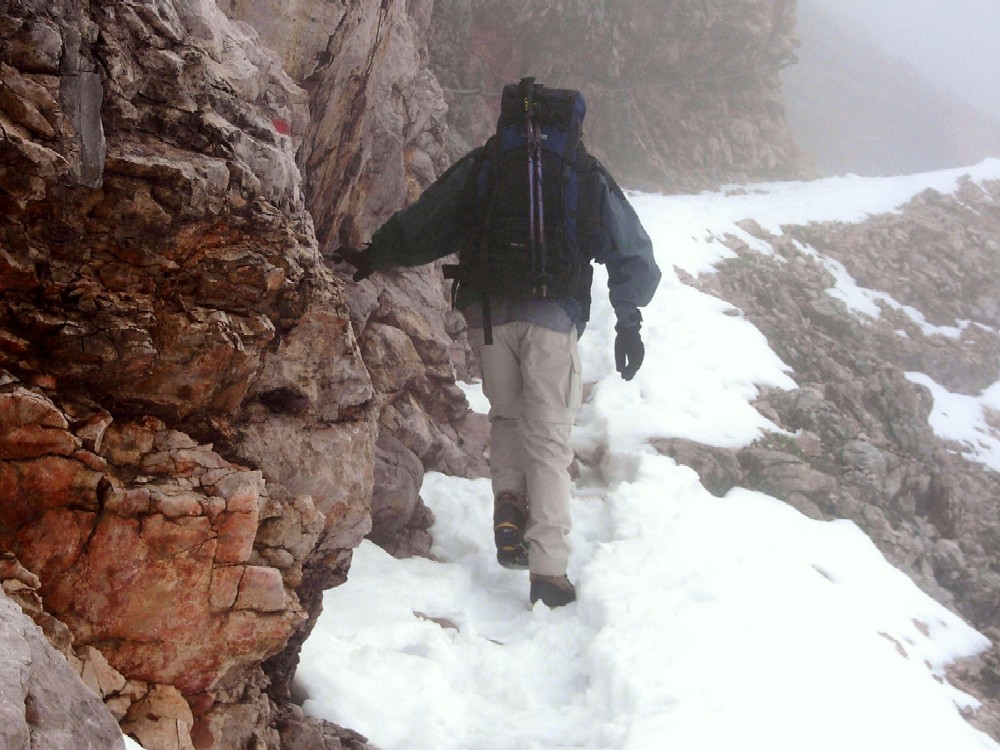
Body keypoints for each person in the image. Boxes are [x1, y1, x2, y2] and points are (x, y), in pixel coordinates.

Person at [332, 80, 660, 608]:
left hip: (489, 318)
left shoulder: (487, 164)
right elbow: (631, 252)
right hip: (552, 320)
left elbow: (430, 220)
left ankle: (509, 510)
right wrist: (628, 321)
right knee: (550, 440)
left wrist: (373, 255)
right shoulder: (582, 172)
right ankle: (549, 571)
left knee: (507, 419)